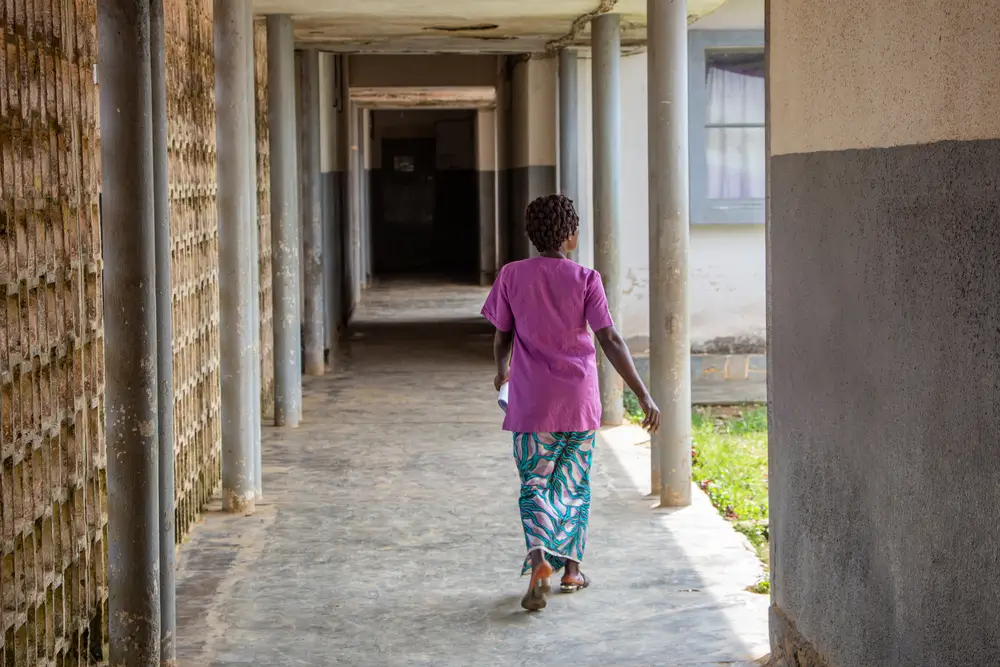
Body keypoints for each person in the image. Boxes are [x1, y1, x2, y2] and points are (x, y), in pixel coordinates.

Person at [481, 193, 660, 612]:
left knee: (535, 483)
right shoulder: (586, 279)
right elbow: (610, 339)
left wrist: (501, 368)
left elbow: (502, 334)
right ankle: (572, 572)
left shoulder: (511, 276)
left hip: (531, 404)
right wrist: (642, 392)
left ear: (531, 234)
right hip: (578, 402)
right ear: (572, 236)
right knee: (575, 485)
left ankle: (541, 560)